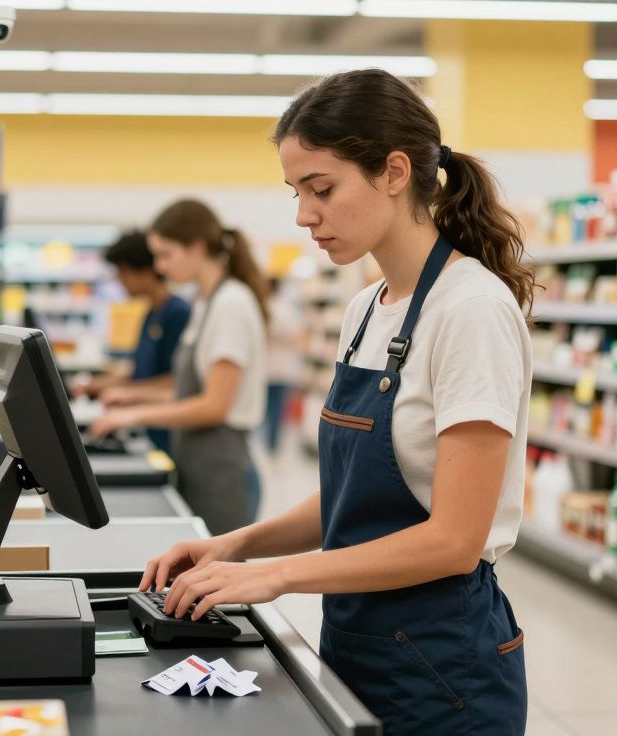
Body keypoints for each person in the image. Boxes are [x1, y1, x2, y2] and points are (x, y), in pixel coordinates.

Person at [136, 70, 533, 736]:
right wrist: (236, 545)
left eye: (321, 189)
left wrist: (278, 577)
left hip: (442, 665)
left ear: (394, 172)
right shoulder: (365, 309)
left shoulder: (471, 311)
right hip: (357, 635)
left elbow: (454, 541)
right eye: (296, 192)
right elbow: (354, 496)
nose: (303, 215)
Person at [89, 200, 270, 535]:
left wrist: (134, 414)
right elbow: (187, 389)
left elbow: (214, 406)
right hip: (198, 466)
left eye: (165, 255)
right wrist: (132, 400)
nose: (159, 266)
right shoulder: (204, 303)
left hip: (223, 473)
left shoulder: (231, 304)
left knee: (217, 566)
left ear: (196, 247)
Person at [75, 230, 190, 454]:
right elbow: (141, 370)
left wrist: (128, 393)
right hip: (150, 430)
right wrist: (100, 384)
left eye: (123, 273)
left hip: (169, 434)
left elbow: (178, 380)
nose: (120, 281)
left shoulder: (177, 314)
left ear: (145, 271)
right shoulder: (151, 313)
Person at [263, 278, 304, 453]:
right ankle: (272, 445)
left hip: (264, 367)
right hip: (280, 368)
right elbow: (294, 336)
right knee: (276, 409)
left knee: (265, 407)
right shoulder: (285, 309)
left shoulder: (262, 306)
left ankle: (263, 443)